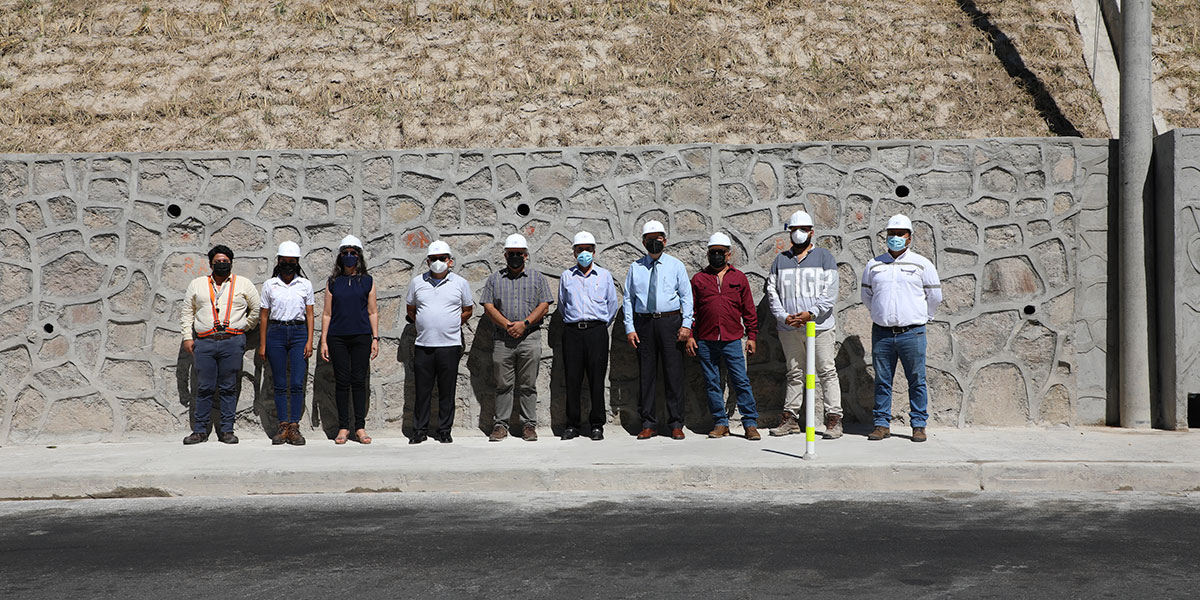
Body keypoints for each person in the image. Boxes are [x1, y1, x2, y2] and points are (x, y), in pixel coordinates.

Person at [861, 214, 943, 443]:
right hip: (882, 334)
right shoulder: (874, 264)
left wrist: (923, 317)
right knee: (882, 380)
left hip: (912, 333)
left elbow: (934, 295)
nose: (895, 238)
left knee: (917, 379)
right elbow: (867, 295)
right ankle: (881, 424)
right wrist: (880, 313)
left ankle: (918, 425)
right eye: (891, 234)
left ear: (909, 237)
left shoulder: (922, 264)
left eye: (900, 234)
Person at [767, 210, 844, 439]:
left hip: (819, 327)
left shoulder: (824, 257)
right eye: (793, 230)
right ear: (789, 232)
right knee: (795, 373)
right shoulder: (780, 260)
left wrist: (811, 314)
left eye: (802, 230)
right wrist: (784, 316)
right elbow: (772, 291)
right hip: (789, 328)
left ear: (811, 232)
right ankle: (790, 419)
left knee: (827, 371)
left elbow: (830, 291)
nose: (798, 234)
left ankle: (834, 419)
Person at [180, 244, 261, 445]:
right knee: (204, 387)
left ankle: (227, 430)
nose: (222, 264)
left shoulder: (243, 284)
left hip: (232, 342)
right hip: (205, 342)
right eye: (218, 262)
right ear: (211, 263)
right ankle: (200, 431)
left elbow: (257, 309)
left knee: (228, 387)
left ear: (231, 263)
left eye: (225, 262)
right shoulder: (197, 284)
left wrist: (244, 326)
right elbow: (187, 312)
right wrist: (187, 337)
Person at [686, 232, 760, 440]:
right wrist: (690, 335)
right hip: (706, 340)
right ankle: (720, 422)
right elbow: (691, 311)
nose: (716, 256)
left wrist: (752, 336)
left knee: (740, 380)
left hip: (732, 340)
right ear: (708, 254)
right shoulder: (699, 279)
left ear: (729, 254)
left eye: (720, 252)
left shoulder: (739, 278)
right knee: (712, 382)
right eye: (712, 252)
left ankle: (750, 423)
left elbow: (748, 310)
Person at [623, 220, 694, 440]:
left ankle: (675, 423)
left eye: (659, 238)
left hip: (670, 323)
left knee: (674, 374)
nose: (655, 242)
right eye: (650, 239)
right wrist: (629, 328)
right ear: (644, 242)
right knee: (647, 375)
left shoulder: (676, 266)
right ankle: (649, 423)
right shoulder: (636, 267)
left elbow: (686, 297)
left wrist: (686, 325)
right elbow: (628, 299)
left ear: (665, 240)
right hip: (644, 324)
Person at [481, 234, 553, 442]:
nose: (515, 257)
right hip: (503, 340)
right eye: (511, 254)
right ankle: (501, 425)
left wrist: (524, 324)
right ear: (505, 255)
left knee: (528, 384)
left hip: (530, 337)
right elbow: (488, 306)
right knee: (503, 384)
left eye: (519, 254)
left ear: (526, 255)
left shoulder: (537, 278)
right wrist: (507, 325)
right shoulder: (495, 279)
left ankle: (528, 425)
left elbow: (544, 305)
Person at [404, 240, 474, 444]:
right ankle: (419, 430)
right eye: (433, 259)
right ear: (427, 261)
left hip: (450, 345)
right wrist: (424, 322)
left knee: (447, 390)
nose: (438, 262)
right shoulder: (418, 282)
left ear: (450, 261)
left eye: (442, 259)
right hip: (424, 344)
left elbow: (468, 309)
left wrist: (453, 322)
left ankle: (444, 430)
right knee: (422, 390)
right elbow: (411, 308)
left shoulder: (460, 283)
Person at [557, 231, 620, 441]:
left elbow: (612, 305)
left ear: (594, 251)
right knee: (572, 379)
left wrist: (599, 324)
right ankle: (572, 425)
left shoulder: (604, 276)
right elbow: (562, 305)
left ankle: (597, 425)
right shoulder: (567, 276)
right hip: (573, 332)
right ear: (574, 252)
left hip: (596, 332)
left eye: (588, 249)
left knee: (596, 379)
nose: (584, 253)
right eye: (580, 249)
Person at [319, 235, 380, 445]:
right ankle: (344, 427)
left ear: (359, 256)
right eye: (345, 253)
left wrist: (375, 338)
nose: (349, 257)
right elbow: (327, 313)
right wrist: (324, 341)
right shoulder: (333, 282)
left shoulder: (367, 281)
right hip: (337, 337)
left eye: (353, 253)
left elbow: (373, 312)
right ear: (340, 257)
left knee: (359, 381)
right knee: (342, 382)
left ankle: (360, 427)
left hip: (361, 336)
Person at [256, 241, 314, 446]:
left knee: (297, 383)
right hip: (276, 333)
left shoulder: (305, 285)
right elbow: (263, 316)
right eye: (284, 261)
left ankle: (295, 426)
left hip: (298, 332)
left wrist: (309, 340)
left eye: (292, 261)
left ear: (297, 263)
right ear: (279, 261)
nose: (288, 264)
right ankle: (282, 426)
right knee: (280, 383)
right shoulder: (270, 285)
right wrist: (262, 344)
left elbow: (309, 313)